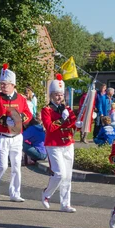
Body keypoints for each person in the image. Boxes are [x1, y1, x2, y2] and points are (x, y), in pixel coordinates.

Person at [0, 63, 32, 202]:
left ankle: (15, 193)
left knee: (16, 166)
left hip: (17, 136)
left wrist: (19, 119)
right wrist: (5, 120)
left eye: (5, 84)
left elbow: (28, 114)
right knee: (3, 166)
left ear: (13, 84)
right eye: (1, 84)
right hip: (1, 136)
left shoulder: (21, 99)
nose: (3, 86)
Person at [41, 74, 77, 212]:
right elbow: (49, 127)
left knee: (68, 175)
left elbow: (73, 124)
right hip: (53, 144)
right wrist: (62, 120)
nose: (59, 97)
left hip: (68, 144)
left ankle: (65, 203)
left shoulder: (67, 109)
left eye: (61, 94)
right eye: (56, 94)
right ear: (51, 95)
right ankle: (46, 194)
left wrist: (78, 123)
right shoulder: (46, 110)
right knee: (59, 174)